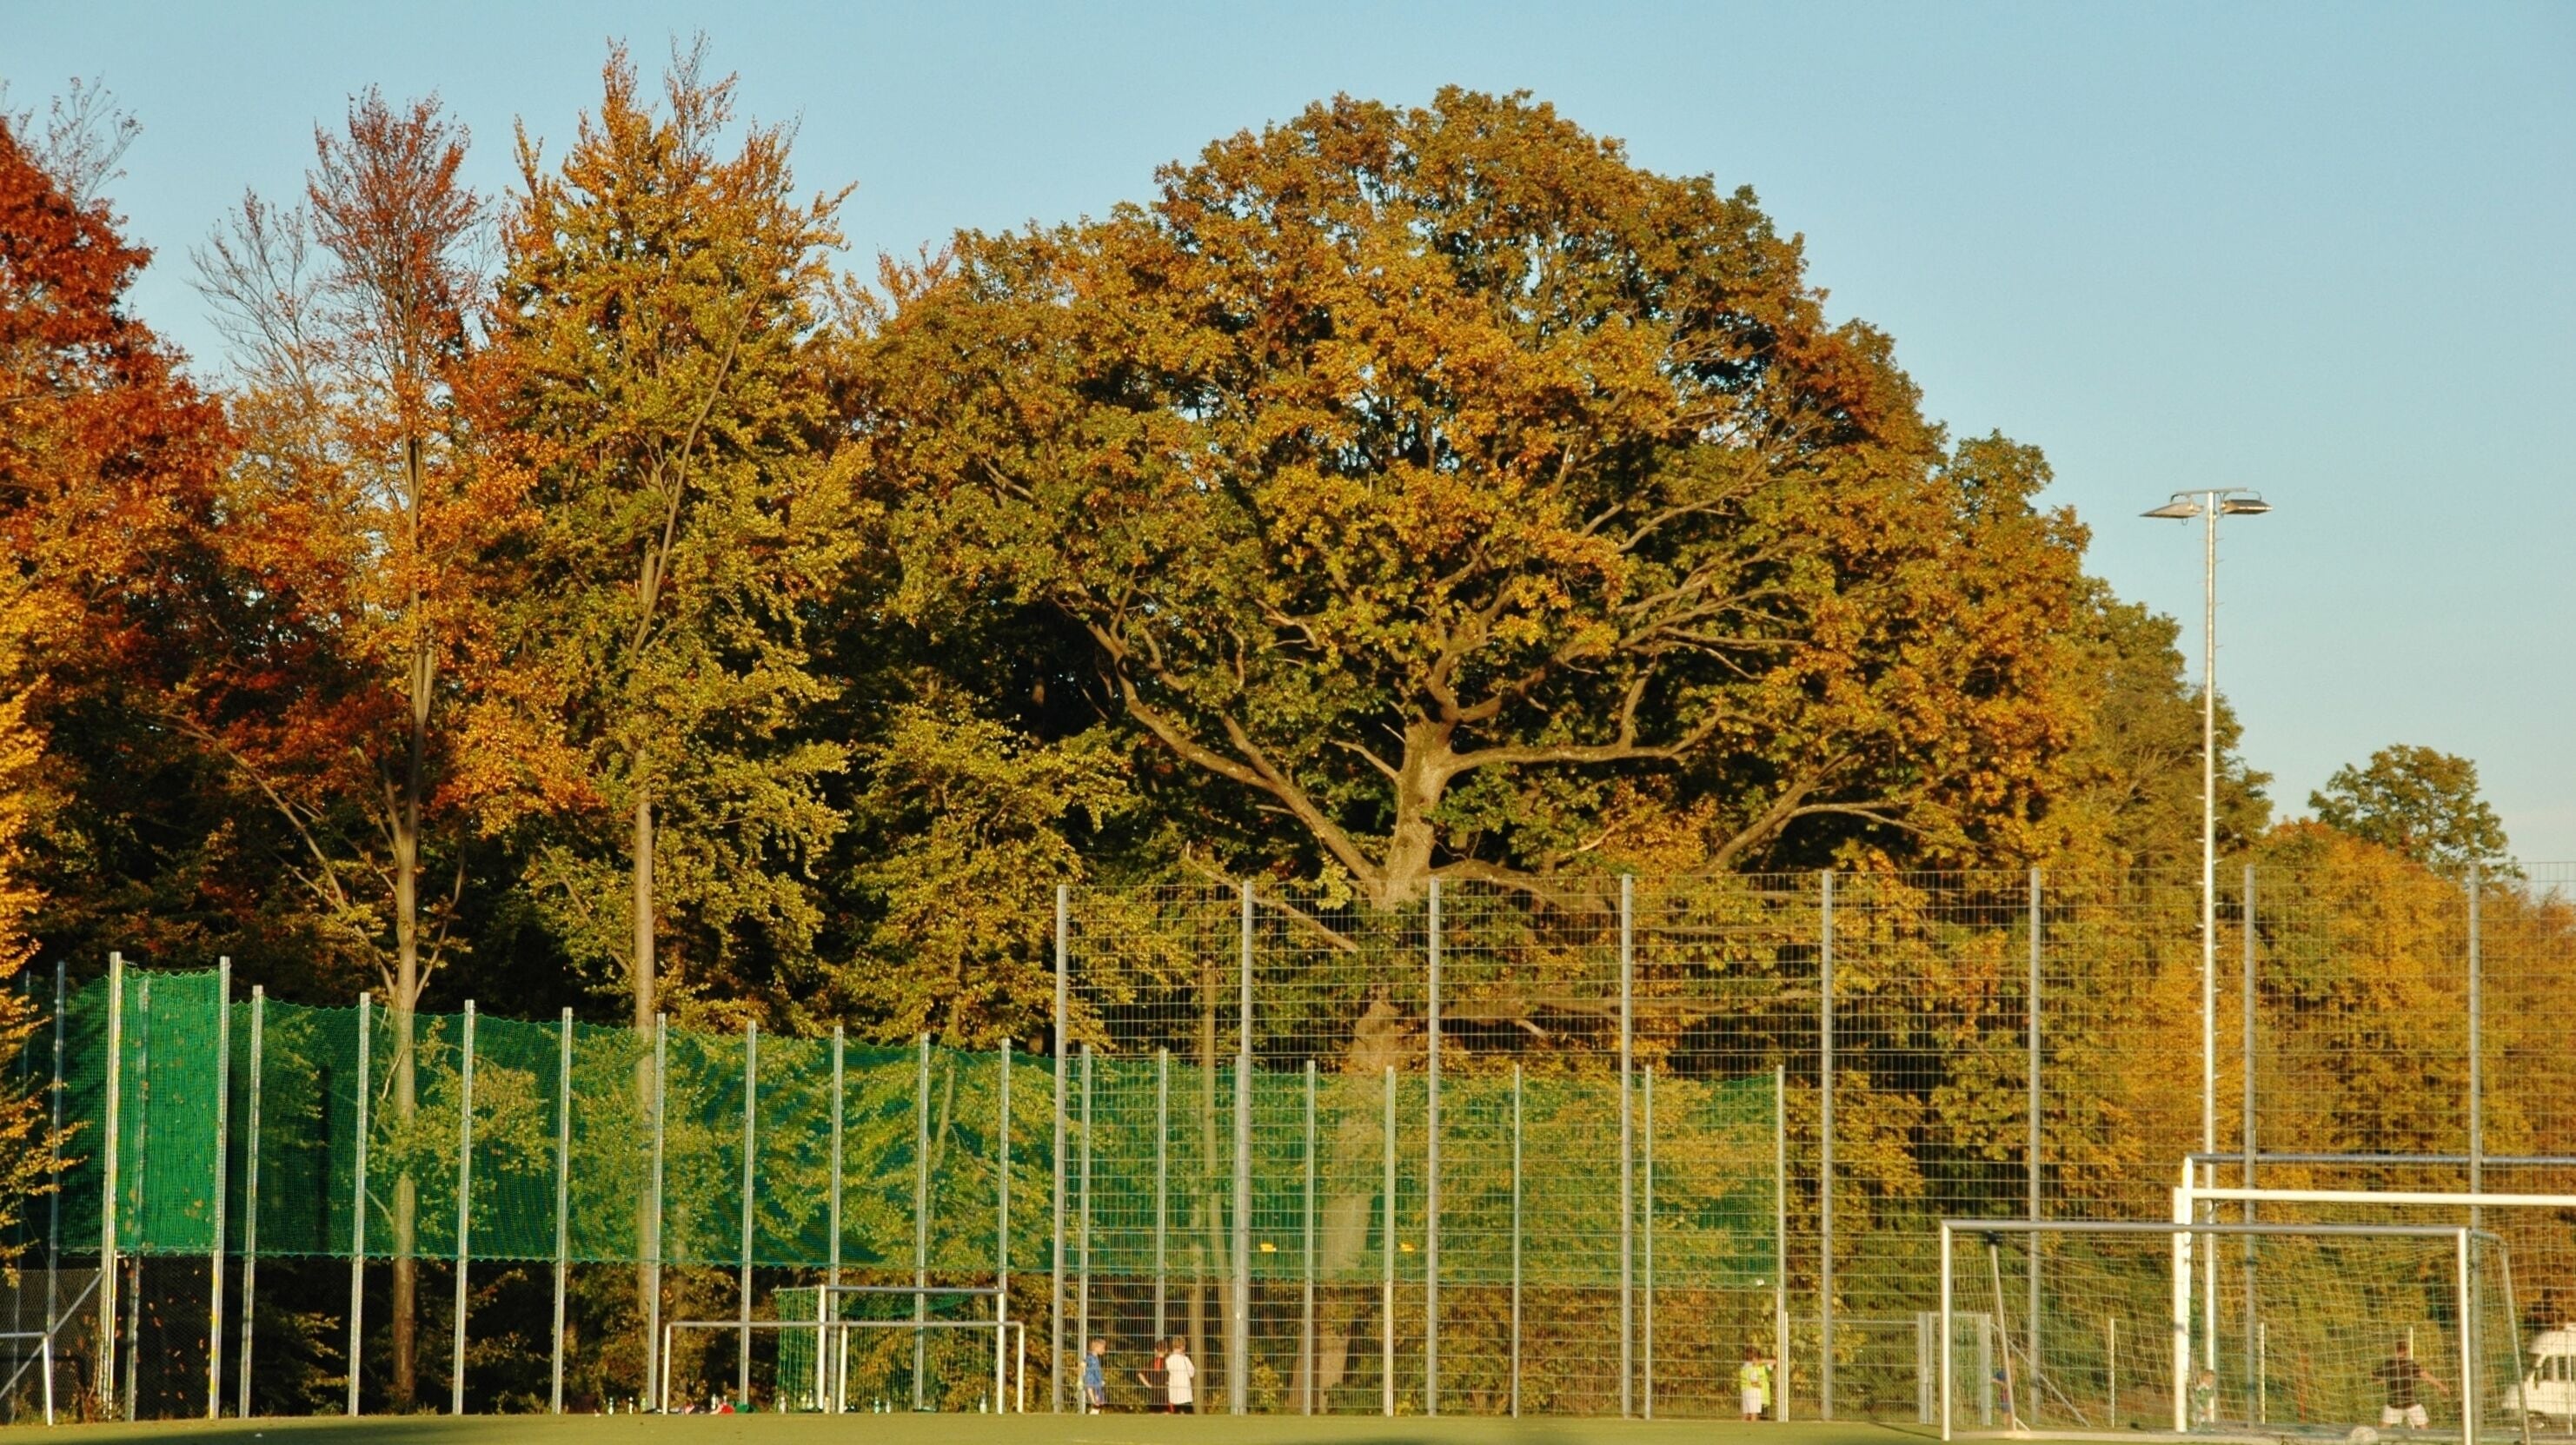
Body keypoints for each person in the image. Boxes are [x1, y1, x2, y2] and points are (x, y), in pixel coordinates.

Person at [2374, 1337, 2447, 1430]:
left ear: (2395, 1350)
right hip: (2410, 1403)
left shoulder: (2388, 1364)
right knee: (2425, 1429)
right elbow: (2427, 1376)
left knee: (2383, 1430)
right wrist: (2441, 1386)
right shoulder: (2410, 1364)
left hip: (2394, 1404)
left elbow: (2373, 1376)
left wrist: (2384, 1380)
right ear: (2406, 1351)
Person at [1738, 1345, 1775, 1422]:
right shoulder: (1757, 1368)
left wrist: (1760, 1362)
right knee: (1753, 1414)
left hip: (1746, 1390)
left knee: (1746, 1414)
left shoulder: (1744, 1366)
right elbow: (1773, 1362)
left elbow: (1773, 1362)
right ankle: (1752, 1430)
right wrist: (1761, 1361)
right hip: (1754, 1391)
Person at [1164, 1336, 1198, 1415]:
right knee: (1188, 1413)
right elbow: (1192, 1373)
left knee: (1176, 1413)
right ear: (1182, 1347)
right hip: (1185, 1392)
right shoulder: (1185, 1359)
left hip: (1173, 1391)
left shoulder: (1168, 1360)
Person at [1083, 1336, 1109, 1414]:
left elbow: (1097, 1371)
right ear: (1096, 1348)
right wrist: (1081, 1378)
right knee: (1096, 1397)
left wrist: (1101, 1380)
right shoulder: (1090, 1357)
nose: (1104, 1351)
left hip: (1097, 1381)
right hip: (1092, 1381)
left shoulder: (1096, 1358)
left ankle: (1095, 1412)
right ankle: (1094, 1409)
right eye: (1103, 1348)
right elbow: (1082, 1365)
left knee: (1100, 1398)